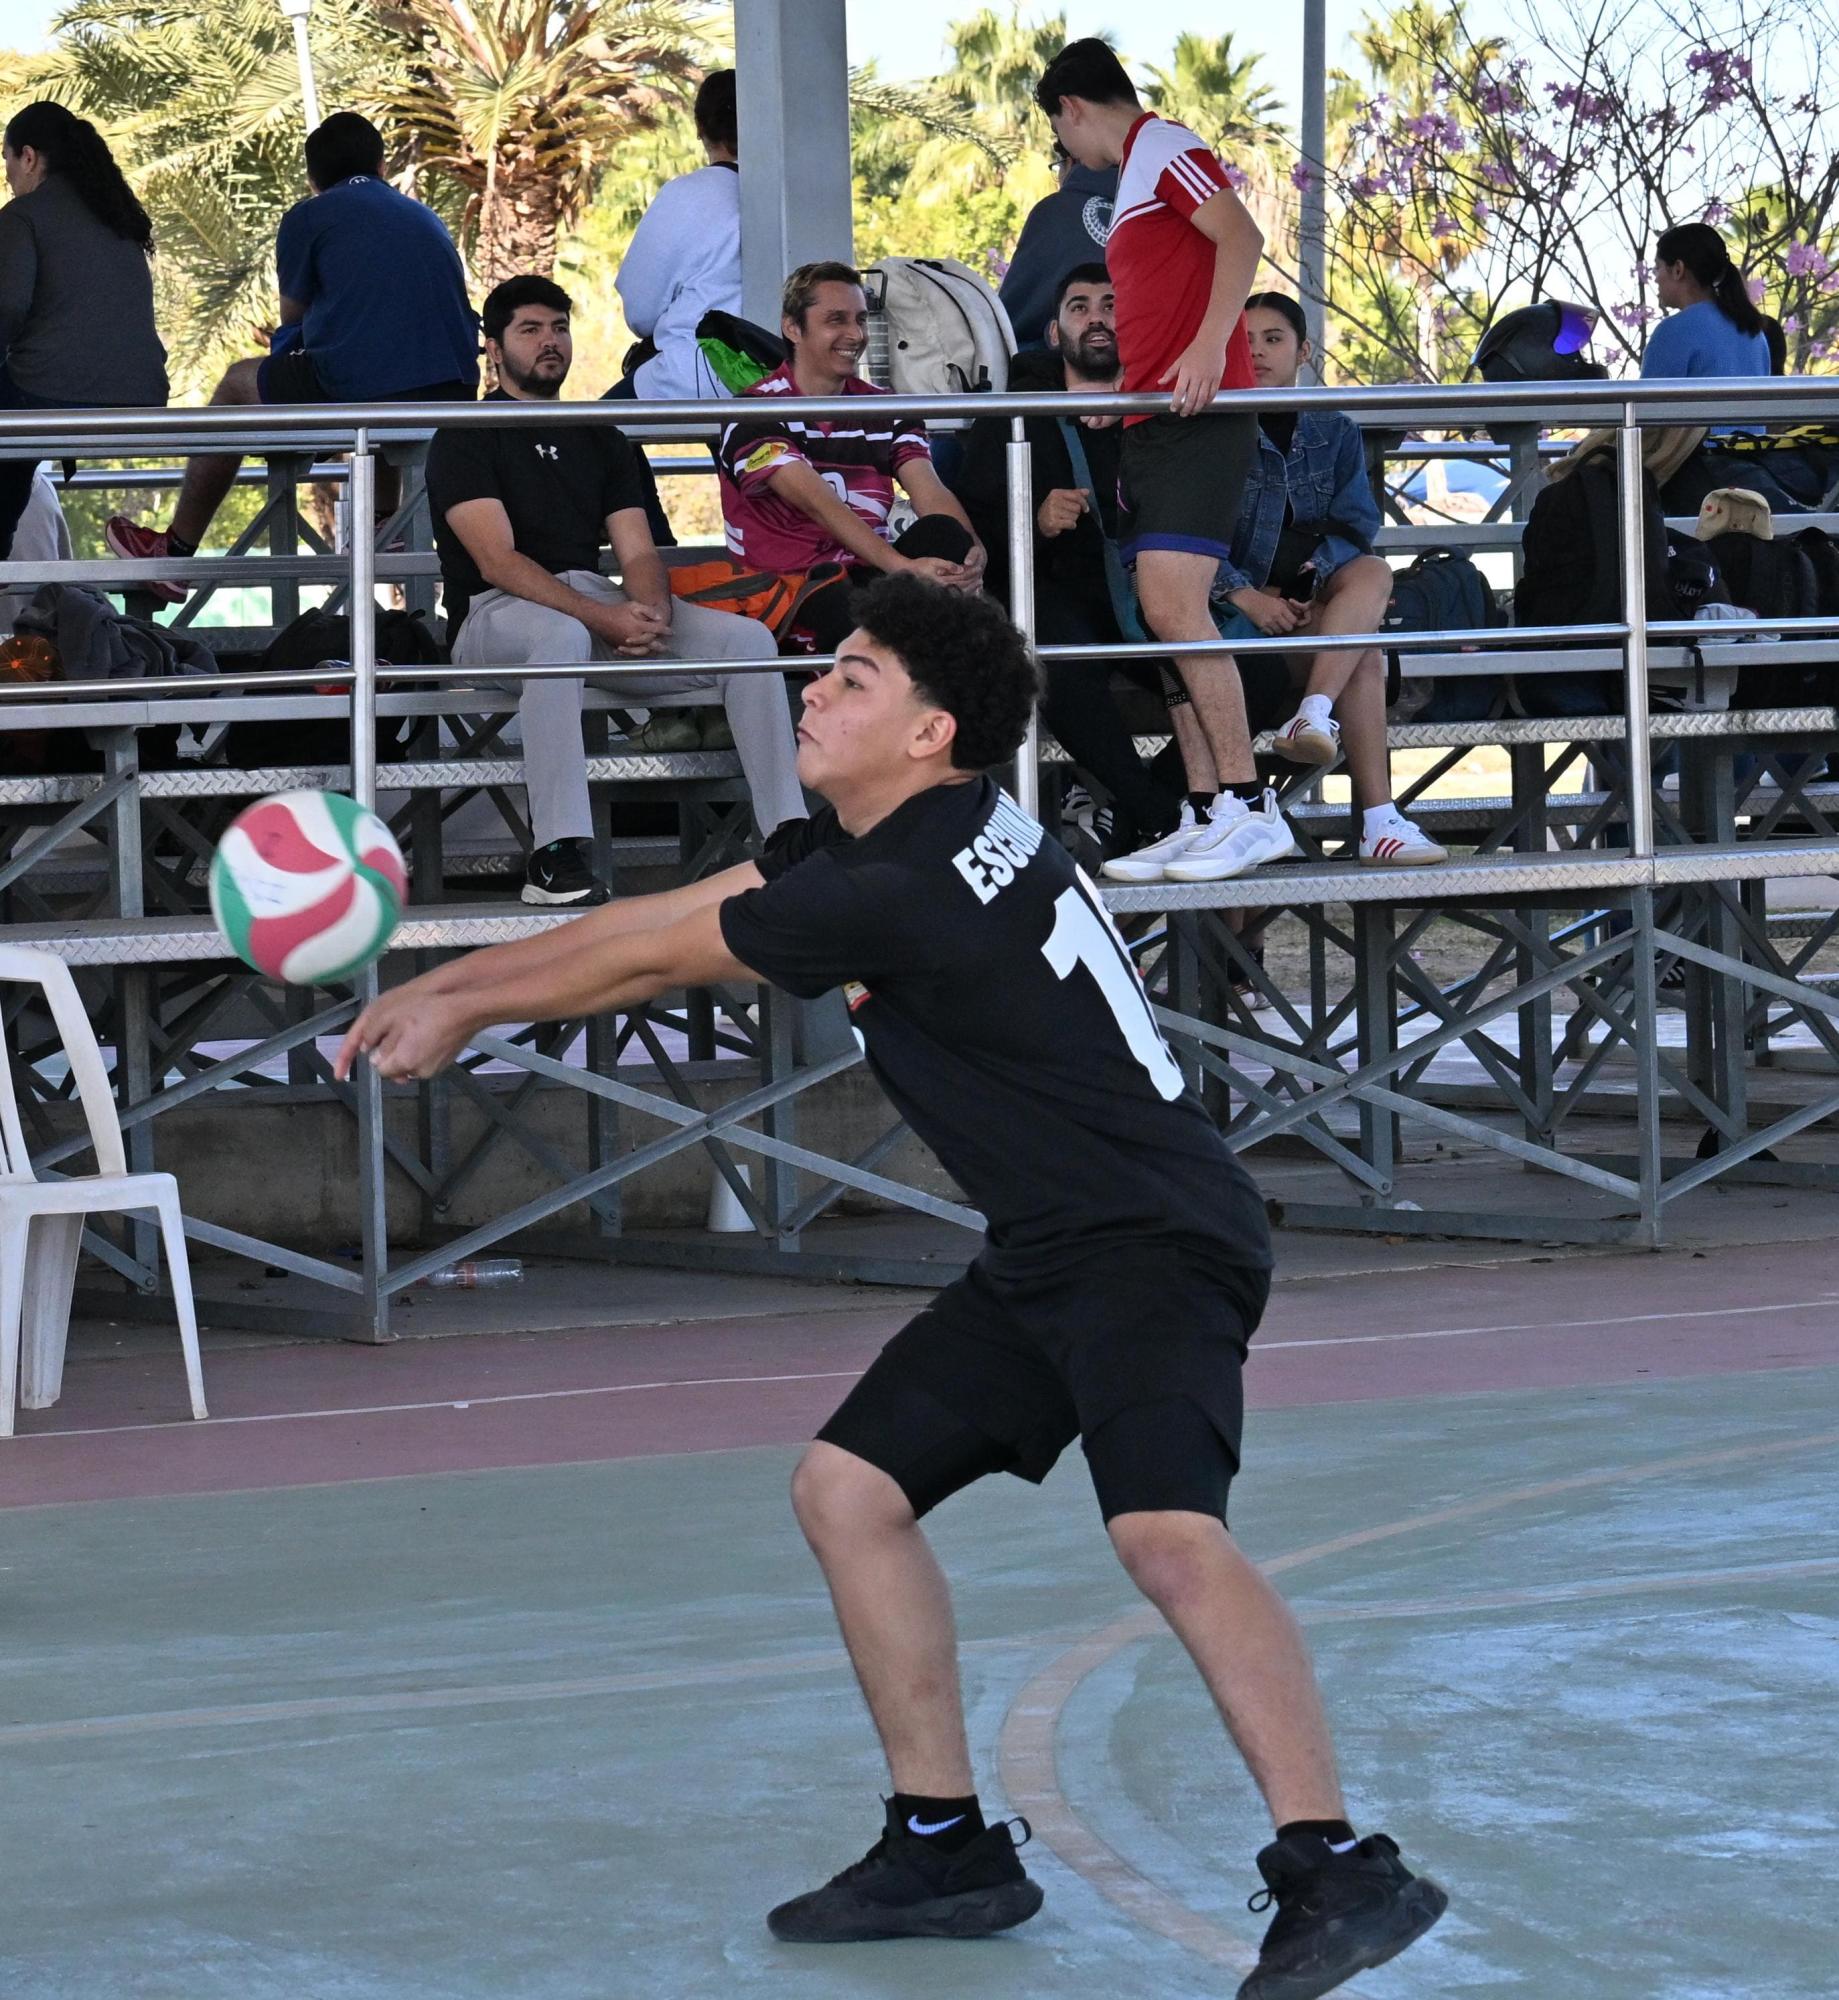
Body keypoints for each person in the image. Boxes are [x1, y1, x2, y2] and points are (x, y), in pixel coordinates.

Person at [334, 573, 1448, 2000]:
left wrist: (463, 999)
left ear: (929, 732)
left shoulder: (902, 885)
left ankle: (1336, 1864)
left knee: (1166, 1535)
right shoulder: (899, 837)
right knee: (846, 1490)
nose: (816, 686)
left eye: (851, 676)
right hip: (1053, 1245)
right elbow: (667, 909)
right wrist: (449, 980)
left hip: (1151, 1241)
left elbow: (651, 958)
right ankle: (943, 1845)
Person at [425, 276, 804, 907]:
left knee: (749, 640)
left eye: (559, 328)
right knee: (560, 632)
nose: (550, 342)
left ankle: (788, 835)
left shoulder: (598, 432)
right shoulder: (468, 431)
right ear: (492, 348)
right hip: (495, 618)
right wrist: (603, 618)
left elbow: (635, 550)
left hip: (591, 606)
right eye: (530, 329)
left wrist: (649, 612)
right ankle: (554, 856)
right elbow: (496, 562)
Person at [1037, 38, 1299, 888]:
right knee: (1161, 615)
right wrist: (1138, 384)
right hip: (1152, 420)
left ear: (1072, 108)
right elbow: (1166, 285)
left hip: (1197, 425)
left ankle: (1246, 805)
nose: (1064, 155)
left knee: (1175, 607)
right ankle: (1199, 810)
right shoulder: (1138, 175)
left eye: (1057, 134)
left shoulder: (1163, 146)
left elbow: (1241, 234)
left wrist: (1204, 347)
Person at [106, 112, 479, 599]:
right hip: (452, 389)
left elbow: (292, 314)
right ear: (381, 164)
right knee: (382, 381)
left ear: (312, 176)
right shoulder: (423, 215)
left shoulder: (309, 216)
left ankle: (174, 553)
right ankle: (384, 528)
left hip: (367, 387)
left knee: (239, 383)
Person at [957, 263, 1187, 858]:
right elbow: (971, 533)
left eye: (1111, 304)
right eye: (1079, 306)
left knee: (1250, 669)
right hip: (1055, 595)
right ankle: (1160, 813)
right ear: (1055, 333)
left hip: (1152, 594)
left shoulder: (1167, 408)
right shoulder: (1010, 413)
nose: (1097, 318)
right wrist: (1031, 520)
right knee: (1055, 648)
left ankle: (1135, 815)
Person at [1216, 293, 1446, 867]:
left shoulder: (1333, 429)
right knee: (1362, 655)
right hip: (1230, 615)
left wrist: (1306, 584)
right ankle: (1377, 819)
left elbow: (1357, 525)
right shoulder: (1210, 428)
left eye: (1273, 339)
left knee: (1371, 571)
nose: (1259, 352)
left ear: (1303, 351)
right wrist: (1251, 596)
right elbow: (1187, 545)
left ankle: (1316, 715)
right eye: (1244, 343)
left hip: (1310, 608)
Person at [717, 261, 987, 655]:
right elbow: (817, 502)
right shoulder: (752, 411)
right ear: (793, 327)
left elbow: (928, 487)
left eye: (860, 319)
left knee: (944, 535)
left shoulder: (885, 407)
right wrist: (901, 567)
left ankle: (934, 689)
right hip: (787, 593)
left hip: (868, 581)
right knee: (845, 603)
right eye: (836, 320)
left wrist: (972, 552)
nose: (855, 334)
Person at [0, 102, 167, 560]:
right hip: (144, 395)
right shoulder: (118, 218)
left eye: (7, 162)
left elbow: (7, 306)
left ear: (29, 157)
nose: (9, 178)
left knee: (8, 417)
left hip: (56, 393)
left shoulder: (23, 216)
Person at [610, 70, 742, 402]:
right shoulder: (796, 199)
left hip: (701, 371)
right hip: (790, 377)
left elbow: (641, 311)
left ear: (700, 128)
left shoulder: (688, 194)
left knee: (590, 437)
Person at [997, 139, 1118, 350]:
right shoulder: (1157, 211)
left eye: (1058, 169)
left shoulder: (1055, 212)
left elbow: (1009, 321)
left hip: (1058, 368)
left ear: (1070, 162)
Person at [1642, 223, 1771, 384]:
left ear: (1677, 269)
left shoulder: (1673, 332)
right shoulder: (1754, 334)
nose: (1655, 277)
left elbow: (1647, 407)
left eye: (1657, 267)